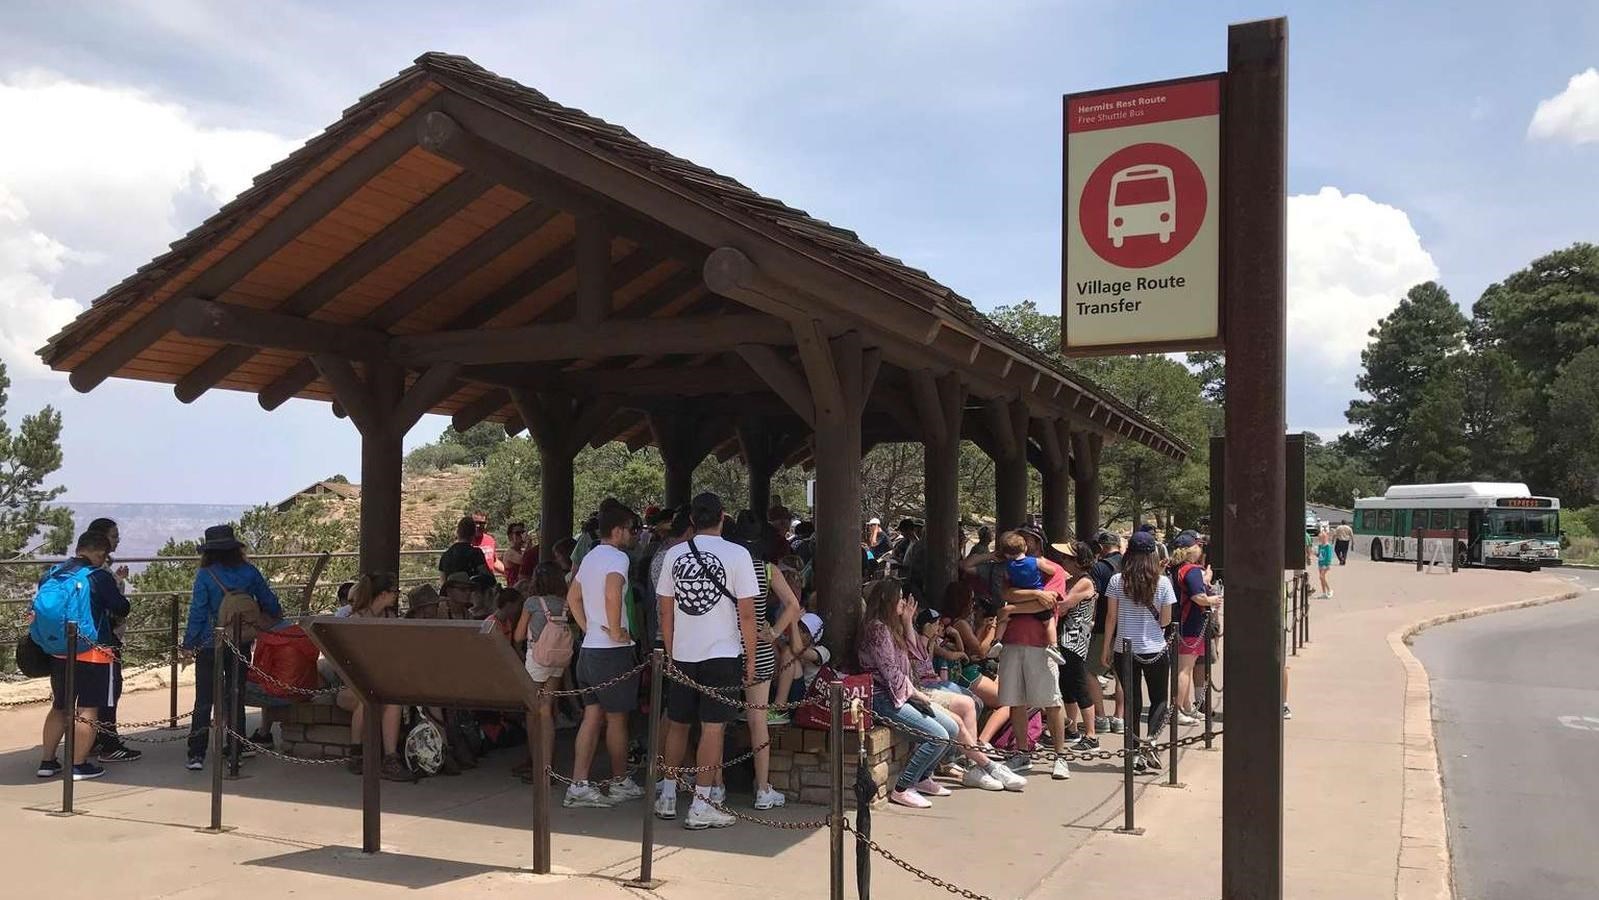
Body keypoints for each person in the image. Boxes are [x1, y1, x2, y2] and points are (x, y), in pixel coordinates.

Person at [858, 580, 1024, 808]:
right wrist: (916, 694)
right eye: (900, 598)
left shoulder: (892, 627)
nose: (905, 603)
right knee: (939, 735)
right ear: (888, 600)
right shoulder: (877, 629)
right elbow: (890, 673)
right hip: (885, 697)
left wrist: (907, 622)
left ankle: (924, 777)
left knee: (953, 726)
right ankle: (903, 787)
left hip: (904, 693)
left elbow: (916, 655)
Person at [654, 492, 759, 830]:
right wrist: (752, 657)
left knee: (679, 723)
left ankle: (668, 794)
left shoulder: (674, 555)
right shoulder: (738, 554)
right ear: (723, 516)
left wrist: (671, 652)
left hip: (683, 651)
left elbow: (665, 609)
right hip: (722, 652)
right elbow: (747, 614)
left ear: (692, 520)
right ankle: (701, 803)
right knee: (713, 728)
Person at [564, 499, 646, 809]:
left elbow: (573, 597)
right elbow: (614, 591)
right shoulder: (617, 558)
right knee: (617, 720)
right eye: (630, 529)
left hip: (589, 650)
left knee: (592, 715)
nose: (633, 535)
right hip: (612, 651)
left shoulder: (589, 556)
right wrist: (613, 629)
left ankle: (579, 782)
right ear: (617, 530)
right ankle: (619, 779)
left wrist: (589, 628)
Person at [180, 525, 282, 771]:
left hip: (209, 641)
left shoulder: (206, 575)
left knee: (204, 697)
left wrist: (188, 643)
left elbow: (198, 611)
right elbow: (270, 603)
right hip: (240, 640)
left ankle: (197, 753)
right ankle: (235, 747)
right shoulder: (249, 572)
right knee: (235, 692)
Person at [36, 530, 129, 781]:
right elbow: (121, 607)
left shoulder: (53, 573)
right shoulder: (98, 576)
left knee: (60, 706)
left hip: (59, 650)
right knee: (88, 707)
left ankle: (47, 761)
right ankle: (78, 765)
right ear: (100, 553)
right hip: (93, 650)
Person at [1099, 531, 1175, 773]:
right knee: (1159, 699)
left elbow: (1111, 617)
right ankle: (1150, 743)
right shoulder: (1163, 582)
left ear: (1128, 552)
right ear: (1153, 553)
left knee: (1132, 700)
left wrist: (1106, 648)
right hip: (1155, 648)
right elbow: (1165, 621)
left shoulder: (1117, 581)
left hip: (1124, 647)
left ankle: (1133, 753)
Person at [327, 573, 410, 780]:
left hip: (381, 682)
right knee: (367, 699)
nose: (397, 596)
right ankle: (356, 753)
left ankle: (390, 758)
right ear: (383, 594)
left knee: (392, 701)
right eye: (395, 592)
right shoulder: (357, 619)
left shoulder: (391, 618)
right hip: (350, 686)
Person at [82, 517, 140, 764]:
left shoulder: (74, 570)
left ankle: (89, 740)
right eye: (114, 536)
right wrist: (116, 586)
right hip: (105, 639)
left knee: (85, 694)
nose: (118, 540)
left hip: (79, 641)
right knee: (108, 692)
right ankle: (109, 743)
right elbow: (117, 607)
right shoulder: (100, 573)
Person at [514, 562, 570, 780]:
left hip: (537, 658)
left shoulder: (532, 603)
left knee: (532, 710)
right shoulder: (564, 604)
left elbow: (518, 636)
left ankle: (537, 763)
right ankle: (549, 765)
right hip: (558, 660)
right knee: (547, 710)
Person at [1049, 540, 1103, 752]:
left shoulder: (1084, 582)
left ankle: (1091, 734)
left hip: (1075, 639)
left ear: (1078, 561)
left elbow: (1063, 607)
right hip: (1065, 638)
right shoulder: (1074, 579)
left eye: (1067, 558)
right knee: (1067, 684)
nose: (1063, 561)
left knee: (1079, 684)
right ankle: (1071, 728)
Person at [1170, 535, 1220, 723]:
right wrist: (1213, 599)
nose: (1201, 550)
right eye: (1198, 546)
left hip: (1186, 624)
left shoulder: (1176, 569)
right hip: (1190, 625)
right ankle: (1177, 709)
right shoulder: (1190, 571)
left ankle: (1187, 706)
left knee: (1187, 668)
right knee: (1185, 669)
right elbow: (1198, 597)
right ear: (1191, 549)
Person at [998, 530, 1064, 666]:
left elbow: (1047, 603)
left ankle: (1054, 647)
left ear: (1038, 543)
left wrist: (1010, 609)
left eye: (1026, 538)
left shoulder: (1055, 569)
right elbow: (1007, 594)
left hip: (1039, 646)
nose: (1021, 541)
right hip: (1011, 642)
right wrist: (1037, 594)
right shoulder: (1011, 566)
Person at [1088, 530, 1124, 734]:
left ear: (1101, 548)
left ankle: (1101, 717)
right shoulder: (1131, 566)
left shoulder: (1100, 568)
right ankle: (1119, 718)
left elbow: (1094, 597)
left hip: (1104, 625)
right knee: (1122, 674)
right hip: (1128, 627)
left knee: (1089, 671)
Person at [439, 516, 491, 586]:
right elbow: (488, 577)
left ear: (458, 532)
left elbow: (443, 583)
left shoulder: (445, 555)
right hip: (471, 594)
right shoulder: (476, 553)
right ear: (473, 533)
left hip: (452, 594)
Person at [471, 511, 504, 577]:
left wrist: (507, 571)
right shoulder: (466, 542)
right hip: (473, 582)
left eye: (481, 523)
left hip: (489, 581)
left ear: (485, 524)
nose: (478, 526)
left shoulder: (490, 540)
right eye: (475, 522)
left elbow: (494, 561)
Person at [503, 522, 529, 586]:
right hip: (514, 590)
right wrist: (529, 544)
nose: (521, 536)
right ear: (510, 536)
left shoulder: (520, 552)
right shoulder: (510, 553)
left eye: (522, 533)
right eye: (517, 533)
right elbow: (526, 561)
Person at [1315, 529, 1335, 599]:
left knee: (1321, 577)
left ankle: (1329, 590)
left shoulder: (1328, 546)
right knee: (1321, 578)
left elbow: (1329, 556)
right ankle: (1324, 592)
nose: (1321, 539)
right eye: (1320, 538)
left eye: (1322, 538)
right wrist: (1315, 553)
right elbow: (1319, 555)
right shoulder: (1320, 546)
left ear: (1326, 538)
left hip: (1325, 564)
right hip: (1320, 563)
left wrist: (1328, 564)